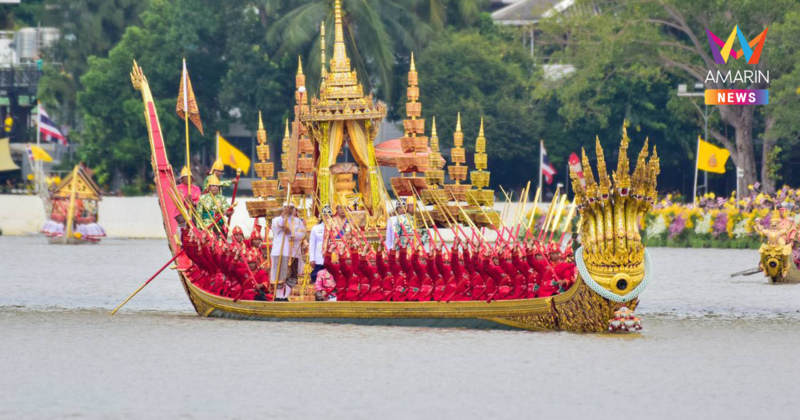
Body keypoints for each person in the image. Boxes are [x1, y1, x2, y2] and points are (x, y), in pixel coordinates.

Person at [270, 201, 306, 301]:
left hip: (294, 252)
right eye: (286, 207)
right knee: (279, 275)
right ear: (283, 208)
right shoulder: (276, 220)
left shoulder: (298, 221)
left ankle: (286, 296)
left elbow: (302, 235)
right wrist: (283, 214)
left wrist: (290, 233)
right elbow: (279, 224)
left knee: (292, 276)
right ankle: (278, 296)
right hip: (280, 252)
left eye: (291, 208)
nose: (289, 209)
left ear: (293, 209)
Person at [309, 205, 331, 285]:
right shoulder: (316, 228)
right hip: (318, 257)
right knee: (317, 276)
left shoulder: (334, 228)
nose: (327, 216)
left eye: (329, 215)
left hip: (331, 257)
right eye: (325, 214)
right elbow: (312, 244)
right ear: (321, 216)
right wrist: (312, 259)